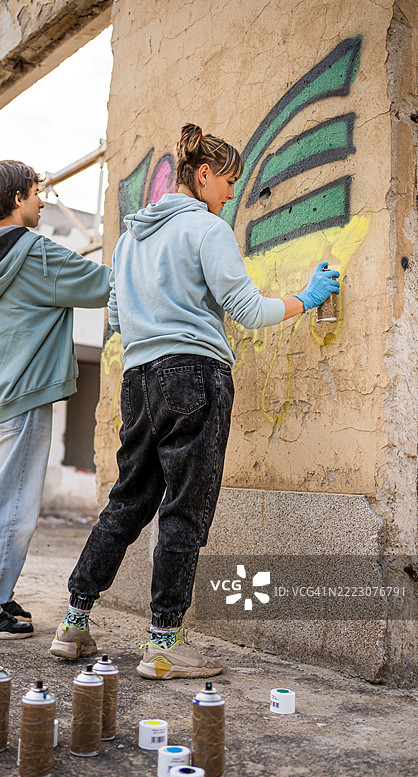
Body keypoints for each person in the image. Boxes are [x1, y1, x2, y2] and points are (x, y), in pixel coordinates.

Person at [49, 124, 340, 677]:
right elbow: (248, 311)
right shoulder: (207, 230)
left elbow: (112, 319)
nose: (231, 193)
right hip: (194, 375)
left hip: (137, 379)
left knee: (127, 502)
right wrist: (307, 297)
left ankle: (74, 622)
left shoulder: (130, 238)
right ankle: (163, 646)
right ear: (203, 176)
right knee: (183, 508)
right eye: (227, 181)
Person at [0, 160, 110, 640]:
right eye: (37, 192)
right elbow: (102, 285)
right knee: (12, 506)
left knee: (2, 498)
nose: (41, 201)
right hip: (25, 398)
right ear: (17, 199)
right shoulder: (36, 253)